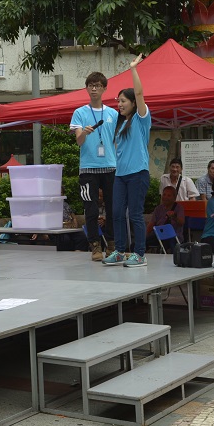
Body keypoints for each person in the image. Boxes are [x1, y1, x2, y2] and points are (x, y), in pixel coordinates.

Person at [103, 54, 151, 268]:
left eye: (123, 101)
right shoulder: (121, 124)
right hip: (120, 175)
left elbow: (139, 92)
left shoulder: (141, 119)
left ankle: (140, 254)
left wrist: (133, 69)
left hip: (138, 174)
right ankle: (120, 251)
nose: (119, 104)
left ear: (133, 103)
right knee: (116, 214)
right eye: (118, 101)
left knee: (135, 215)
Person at [70, 72, 118, 262]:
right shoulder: (80, 112)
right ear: (86, 88)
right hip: (88, 168)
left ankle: (112, 245)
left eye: (98, 85)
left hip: (110, 167)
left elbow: (117, 141)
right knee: (90, 209)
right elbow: (79, 141)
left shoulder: (113, 114)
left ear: (104, 88)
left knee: (113, 208)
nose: (94, 89)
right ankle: (95, 246)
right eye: (91, 85)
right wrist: (84, 133)